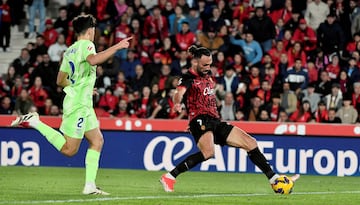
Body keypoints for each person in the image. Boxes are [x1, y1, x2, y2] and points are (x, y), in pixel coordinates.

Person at [10, 14, 133, 195]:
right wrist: (117, 46)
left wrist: (81, 88)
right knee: (69, 150)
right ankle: (35, 122)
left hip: (82, 102)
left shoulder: (70, 50)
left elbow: (60, 80)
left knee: (97, 141)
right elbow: (93, 60)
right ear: (90, 30)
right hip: (78, 105)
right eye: (94, 29)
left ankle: (89, 185)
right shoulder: (87, 45)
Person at [159, 45, 299, 193]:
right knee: (208, 153)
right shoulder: (188, 78)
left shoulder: (208, 74)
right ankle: (170, 177)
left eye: (210, 64)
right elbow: (179, 93)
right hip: (200, 119)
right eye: (204, 65)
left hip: (214, 120)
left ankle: (274, 179)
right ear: (195, 62)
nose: (208, 67)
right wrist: (177, 104)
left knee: (250, 142)